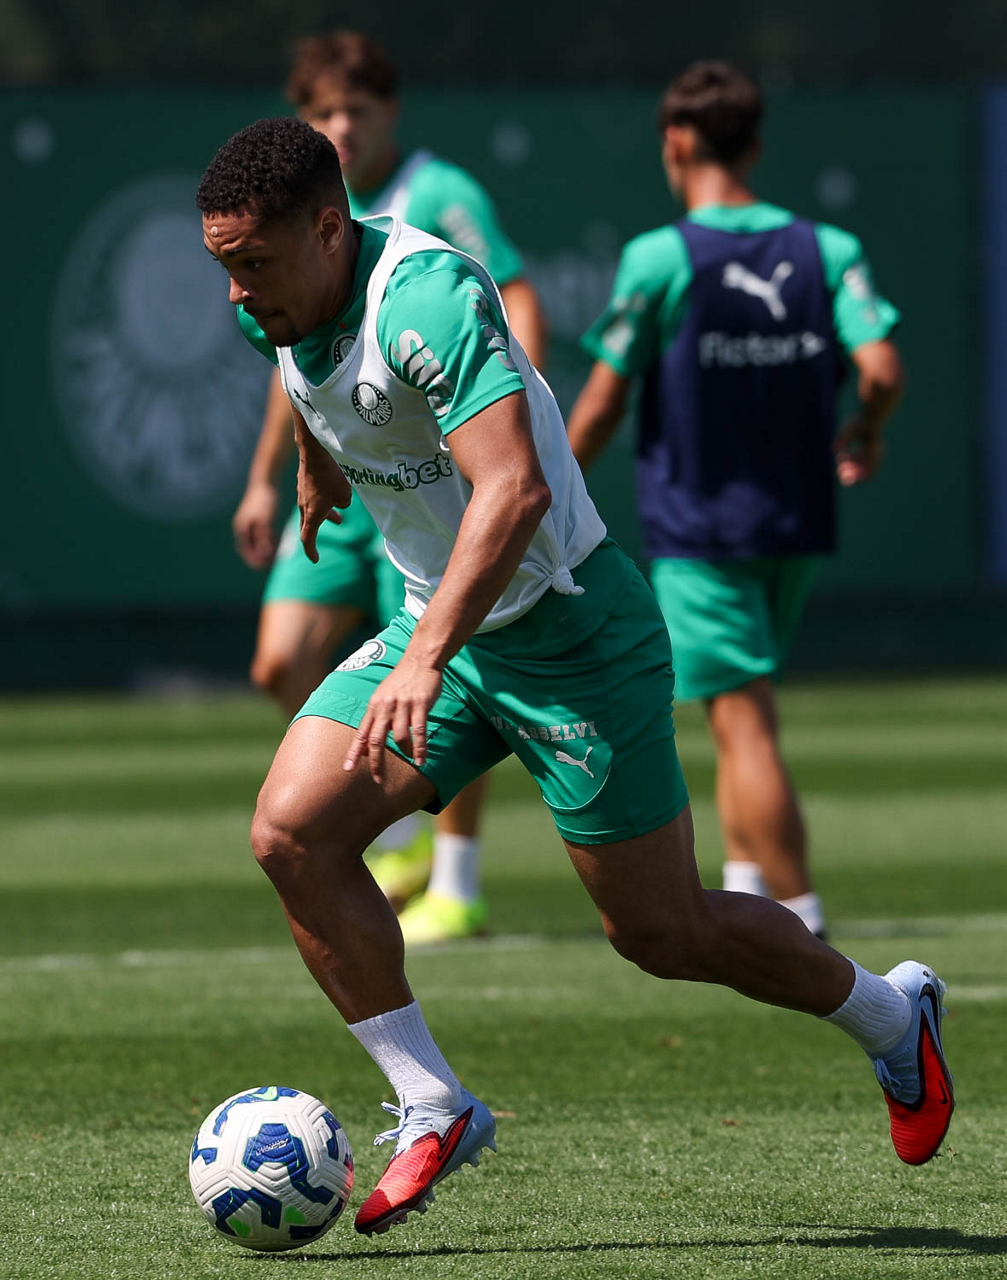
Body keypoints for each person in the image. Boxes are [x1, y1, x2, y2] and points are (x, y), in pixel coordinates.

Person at [196, 116, 952, 1239]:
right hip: (443, 627)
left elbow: (514, 491)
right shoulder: (276, 300)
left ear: (325, 229)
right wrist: (315, 465)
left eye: (253, 263)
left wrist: (424, 653)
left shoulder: (428, 298)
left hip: (570, 632)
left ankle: (891, 1016)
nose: (236, 292)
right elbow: (307, 370)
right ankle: (433, 1102)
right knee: (289, 834)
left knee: (662, 934)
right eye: (223, 265)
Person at [567, 62, 905, 940]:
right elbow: (880, 369)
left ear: (675, 142)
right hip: (796, 523)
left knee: (744, 724)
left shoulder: (659, 257)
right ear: (753, 145)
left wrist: (543, 491)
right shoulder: (828, 249)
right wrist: (865, 429)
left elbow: (601, 402)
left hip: (702, 530)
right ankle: (747, 886)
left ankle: (801, 923)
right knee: (738, 714)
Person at [231, 31, 547, 945]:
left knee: (448, 667)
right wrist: (274, 473)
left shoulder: (439, 196)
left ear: (389, 113)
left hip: (430, 476)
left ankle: (455, 878)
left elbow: (514, 299)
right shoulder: (287, 214)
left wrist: (511, 423)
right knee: (279, 660)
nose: (339, 127)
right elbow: (295, 355)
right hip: (347, 474)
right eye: (321, 112)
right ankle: (397, 830)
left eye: (355, 111)